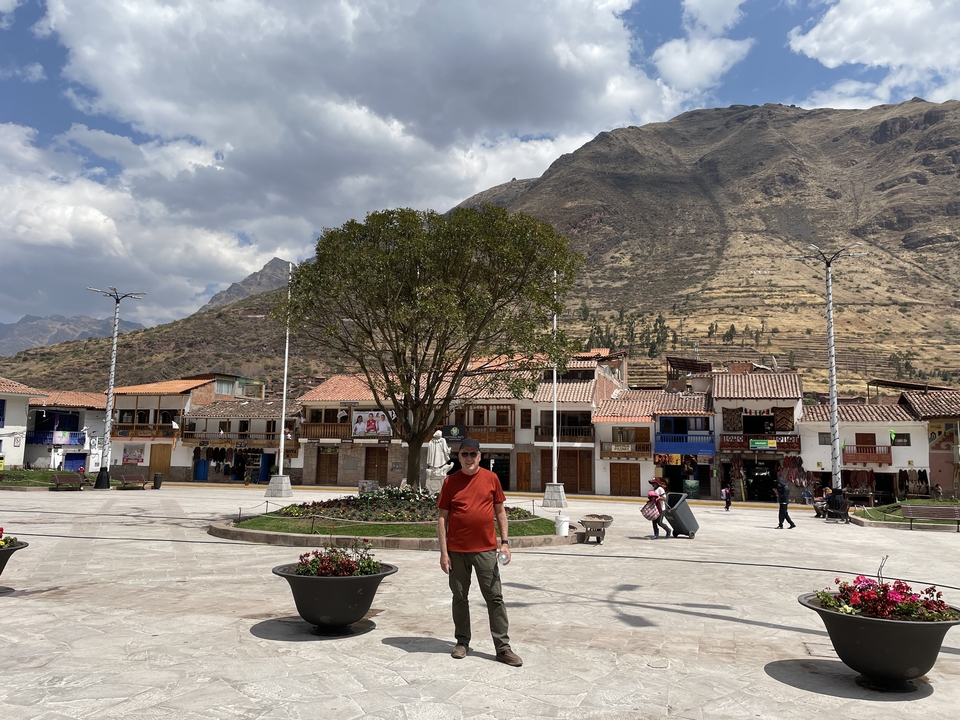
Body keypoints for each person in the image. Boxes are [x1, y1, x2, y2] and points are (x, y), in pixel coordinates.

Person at [437, 438, 522, 667]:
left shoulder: (491, 479)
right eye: (464, 454)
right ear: (459, 457)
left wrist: (504, 543)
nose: (468, 458)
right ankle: (462, 642)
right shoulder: (450, 482)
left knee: (494, 597)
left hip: (485, 550)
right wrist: (444, 553)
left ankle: (503, 648)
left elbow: (501, 513)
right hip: (457, 551)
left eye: (473, 454)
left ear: (480, 456)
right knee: (459, 597)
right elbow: (442, 518)